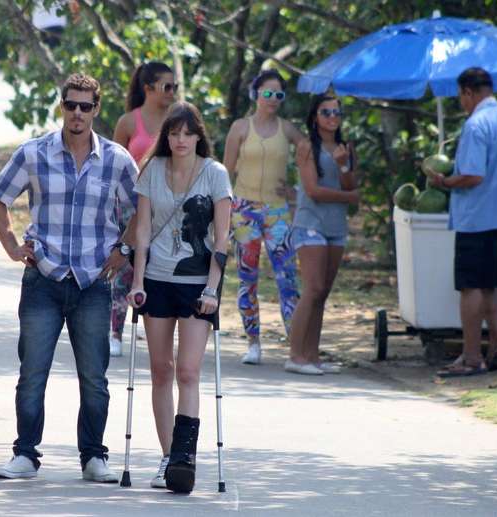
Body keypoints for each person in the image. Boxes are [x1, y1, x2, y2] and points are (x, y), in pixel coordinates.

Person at [0, 73, 138, 481]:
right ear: (62, 107)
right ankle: (25, 455)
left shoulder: (118, 159)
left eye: (85, 106)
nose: (77, 113)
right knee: (32, 371)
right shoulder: (34, 153)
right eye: (71, 104)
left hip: (92, 282)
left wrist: (124, 250)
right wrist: (12, 245)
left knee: (95, 377)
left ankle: (93, 458)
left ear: (96, 110)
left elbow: (144, 209)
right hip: (44, 278)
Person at [128, 102, 231, 493]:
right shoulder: (152, 171)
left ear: (198, 135)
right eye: (174, 133)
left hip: (197, 284)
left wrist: (212, 289)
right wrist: (137, 281)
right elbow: (141, 232)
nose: (180, 140)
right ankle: (168, 458)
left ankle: (185, 457)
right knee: (160, 370)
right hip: (156, 279)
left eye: (188, 133)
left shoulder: (215, 174)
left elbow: (222, 238)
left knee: (188, 370)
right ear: (166, 137)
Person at [428, 67, 497, 378]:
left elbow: (474, 175)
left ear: (467, 92)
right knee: (490, 283)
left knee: (470, 286)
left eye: (460, 97)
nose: (461, 103)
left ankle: (471, 356)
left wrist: (445, 182)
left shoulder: (477, 124)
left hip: (478, 217)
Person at [223, 69, 304, 365]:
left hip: (278, 211)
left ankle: (295, 345)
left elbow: (311, 154)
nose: (272, 99)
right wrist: (221, 209)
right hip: (244, 210)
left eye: (278, 95)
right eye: (267, 93)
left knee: (287, 279)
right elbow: (225, 171)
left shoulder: (289, 130)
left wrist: (298, 190)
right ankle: (253, 342)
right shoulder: (240, 128)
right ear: (255, 95)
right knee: (248, 278)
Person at [285, 94, 359, 375]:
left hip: (335, 228)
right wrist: (348, 196)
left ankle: (312, 356)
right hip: (310, 223)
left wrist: (343, 164)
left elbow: (352, 182)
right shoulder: (306, 147)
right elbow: (313, 190)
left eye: (336, 112)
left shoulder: (346, 148)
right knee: (312, 288)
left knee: (323, 293)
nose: (332, 117)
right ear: (315, 117)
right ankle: (295, 356)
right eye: (325, 112)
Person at [109, 61, 176, 356]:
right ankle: (115, 332)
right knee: (125, 268)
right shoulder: (127, 122)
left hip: (167, 207)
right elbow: (111, 168)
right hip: (130, 206)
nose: (173, 92)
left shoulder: (177, 120)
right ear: (148, 88)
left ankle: (156, 332)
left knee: (159, 268)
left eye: (175, 86)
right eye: (167, 86)